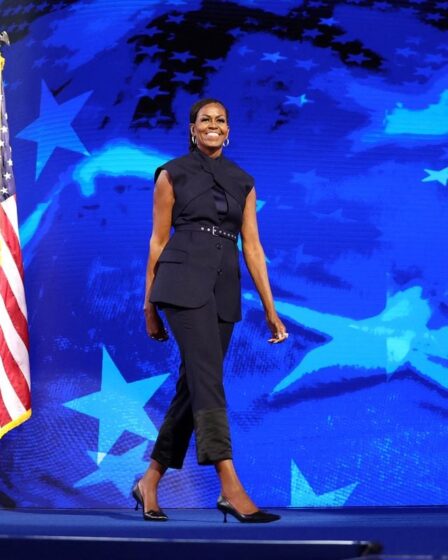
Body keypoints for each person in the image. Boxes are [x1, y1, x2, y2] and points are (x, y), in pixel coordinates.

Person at [133, 98, 288, 523]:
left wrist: (271, 311)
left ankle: (150, 479)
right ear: (192, 128)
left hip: (223, 290)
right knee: (208, 379)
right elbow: (157, 242)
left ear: (229, 130)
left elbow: (253, 248)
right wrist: (148, 304)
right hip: (180, 284)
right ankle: (229, 486)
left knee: (193, 386)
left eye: (221, 120)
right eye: (206, 120)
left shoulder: (243, 181)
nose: (214, 125)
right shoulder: (171, 173)